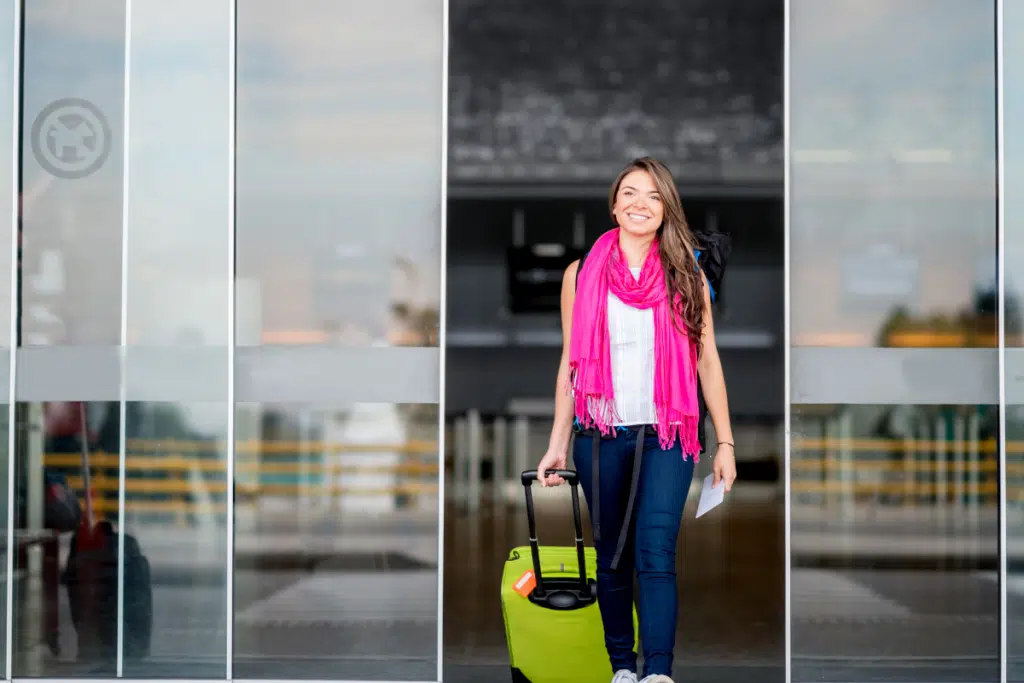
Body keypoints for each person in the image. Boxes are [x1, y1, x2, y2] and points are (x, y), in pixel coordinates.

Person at [536, 157, 737, 683]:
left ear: (666, 208)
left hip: (668, 436)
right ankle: (623, 669)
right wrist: (558, 441)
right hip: (601, 436)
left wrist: (726, 444)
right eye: (629, 193)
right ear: (614, 204)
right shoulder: (580, 275)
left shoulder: (686, 272)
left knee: (655, 551)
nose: (639, 204)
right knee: (613, 558)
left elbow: (707, 359)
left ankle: (658, 673)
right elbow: (571, 364)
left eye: (651, 195)